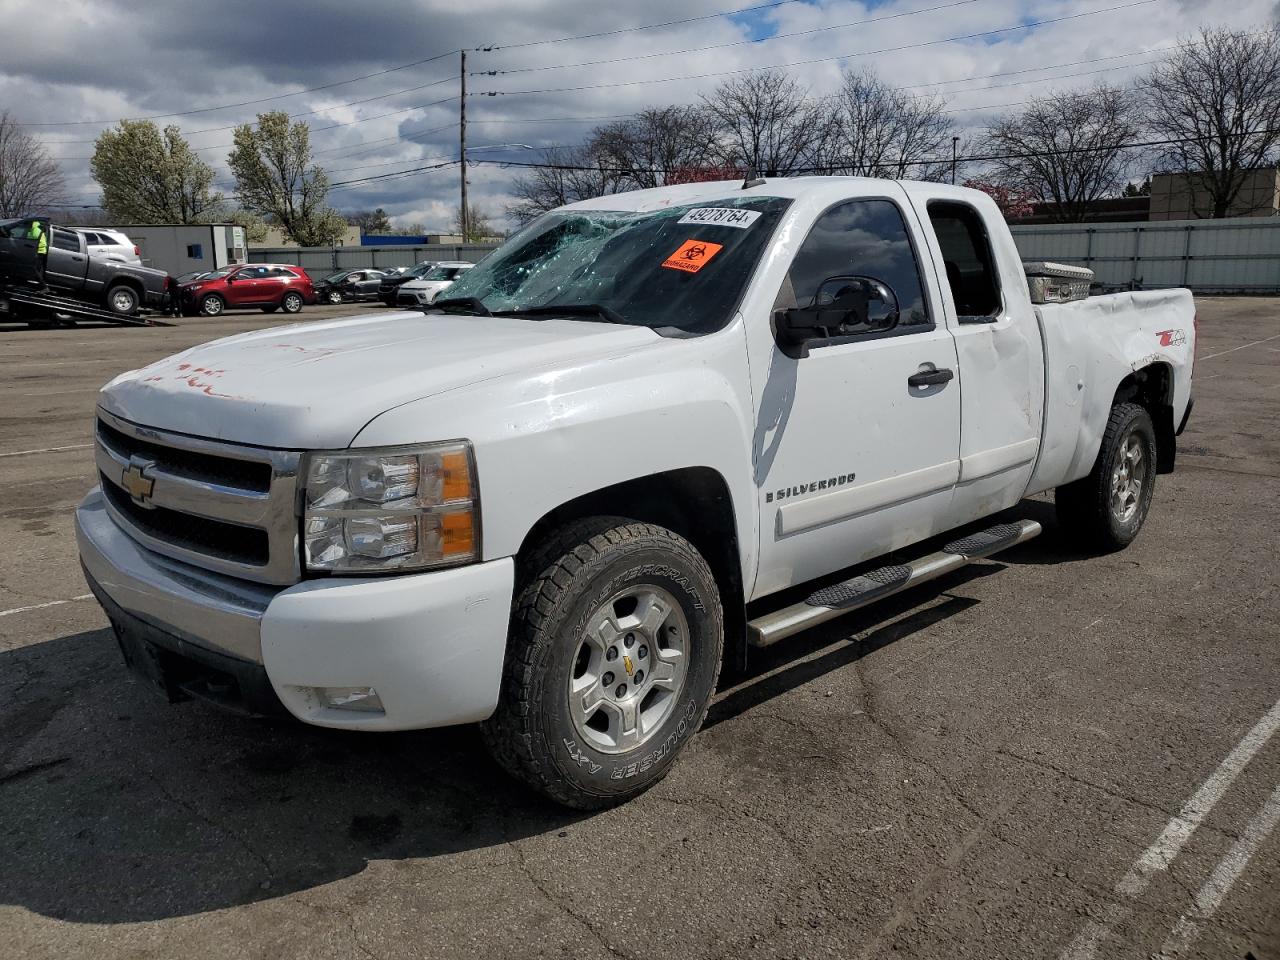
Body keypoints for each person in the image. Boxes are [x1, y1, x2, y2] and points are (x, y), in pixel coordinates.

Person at [27, 218, 48, 289]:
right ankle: (40, 285)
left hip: (39, 252)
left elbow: (38, 242)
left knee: (35, 269)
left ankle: (44, 286)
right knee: (37, 269)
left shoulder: (36, 231)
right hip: (40, 251)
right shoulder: (35, 230)